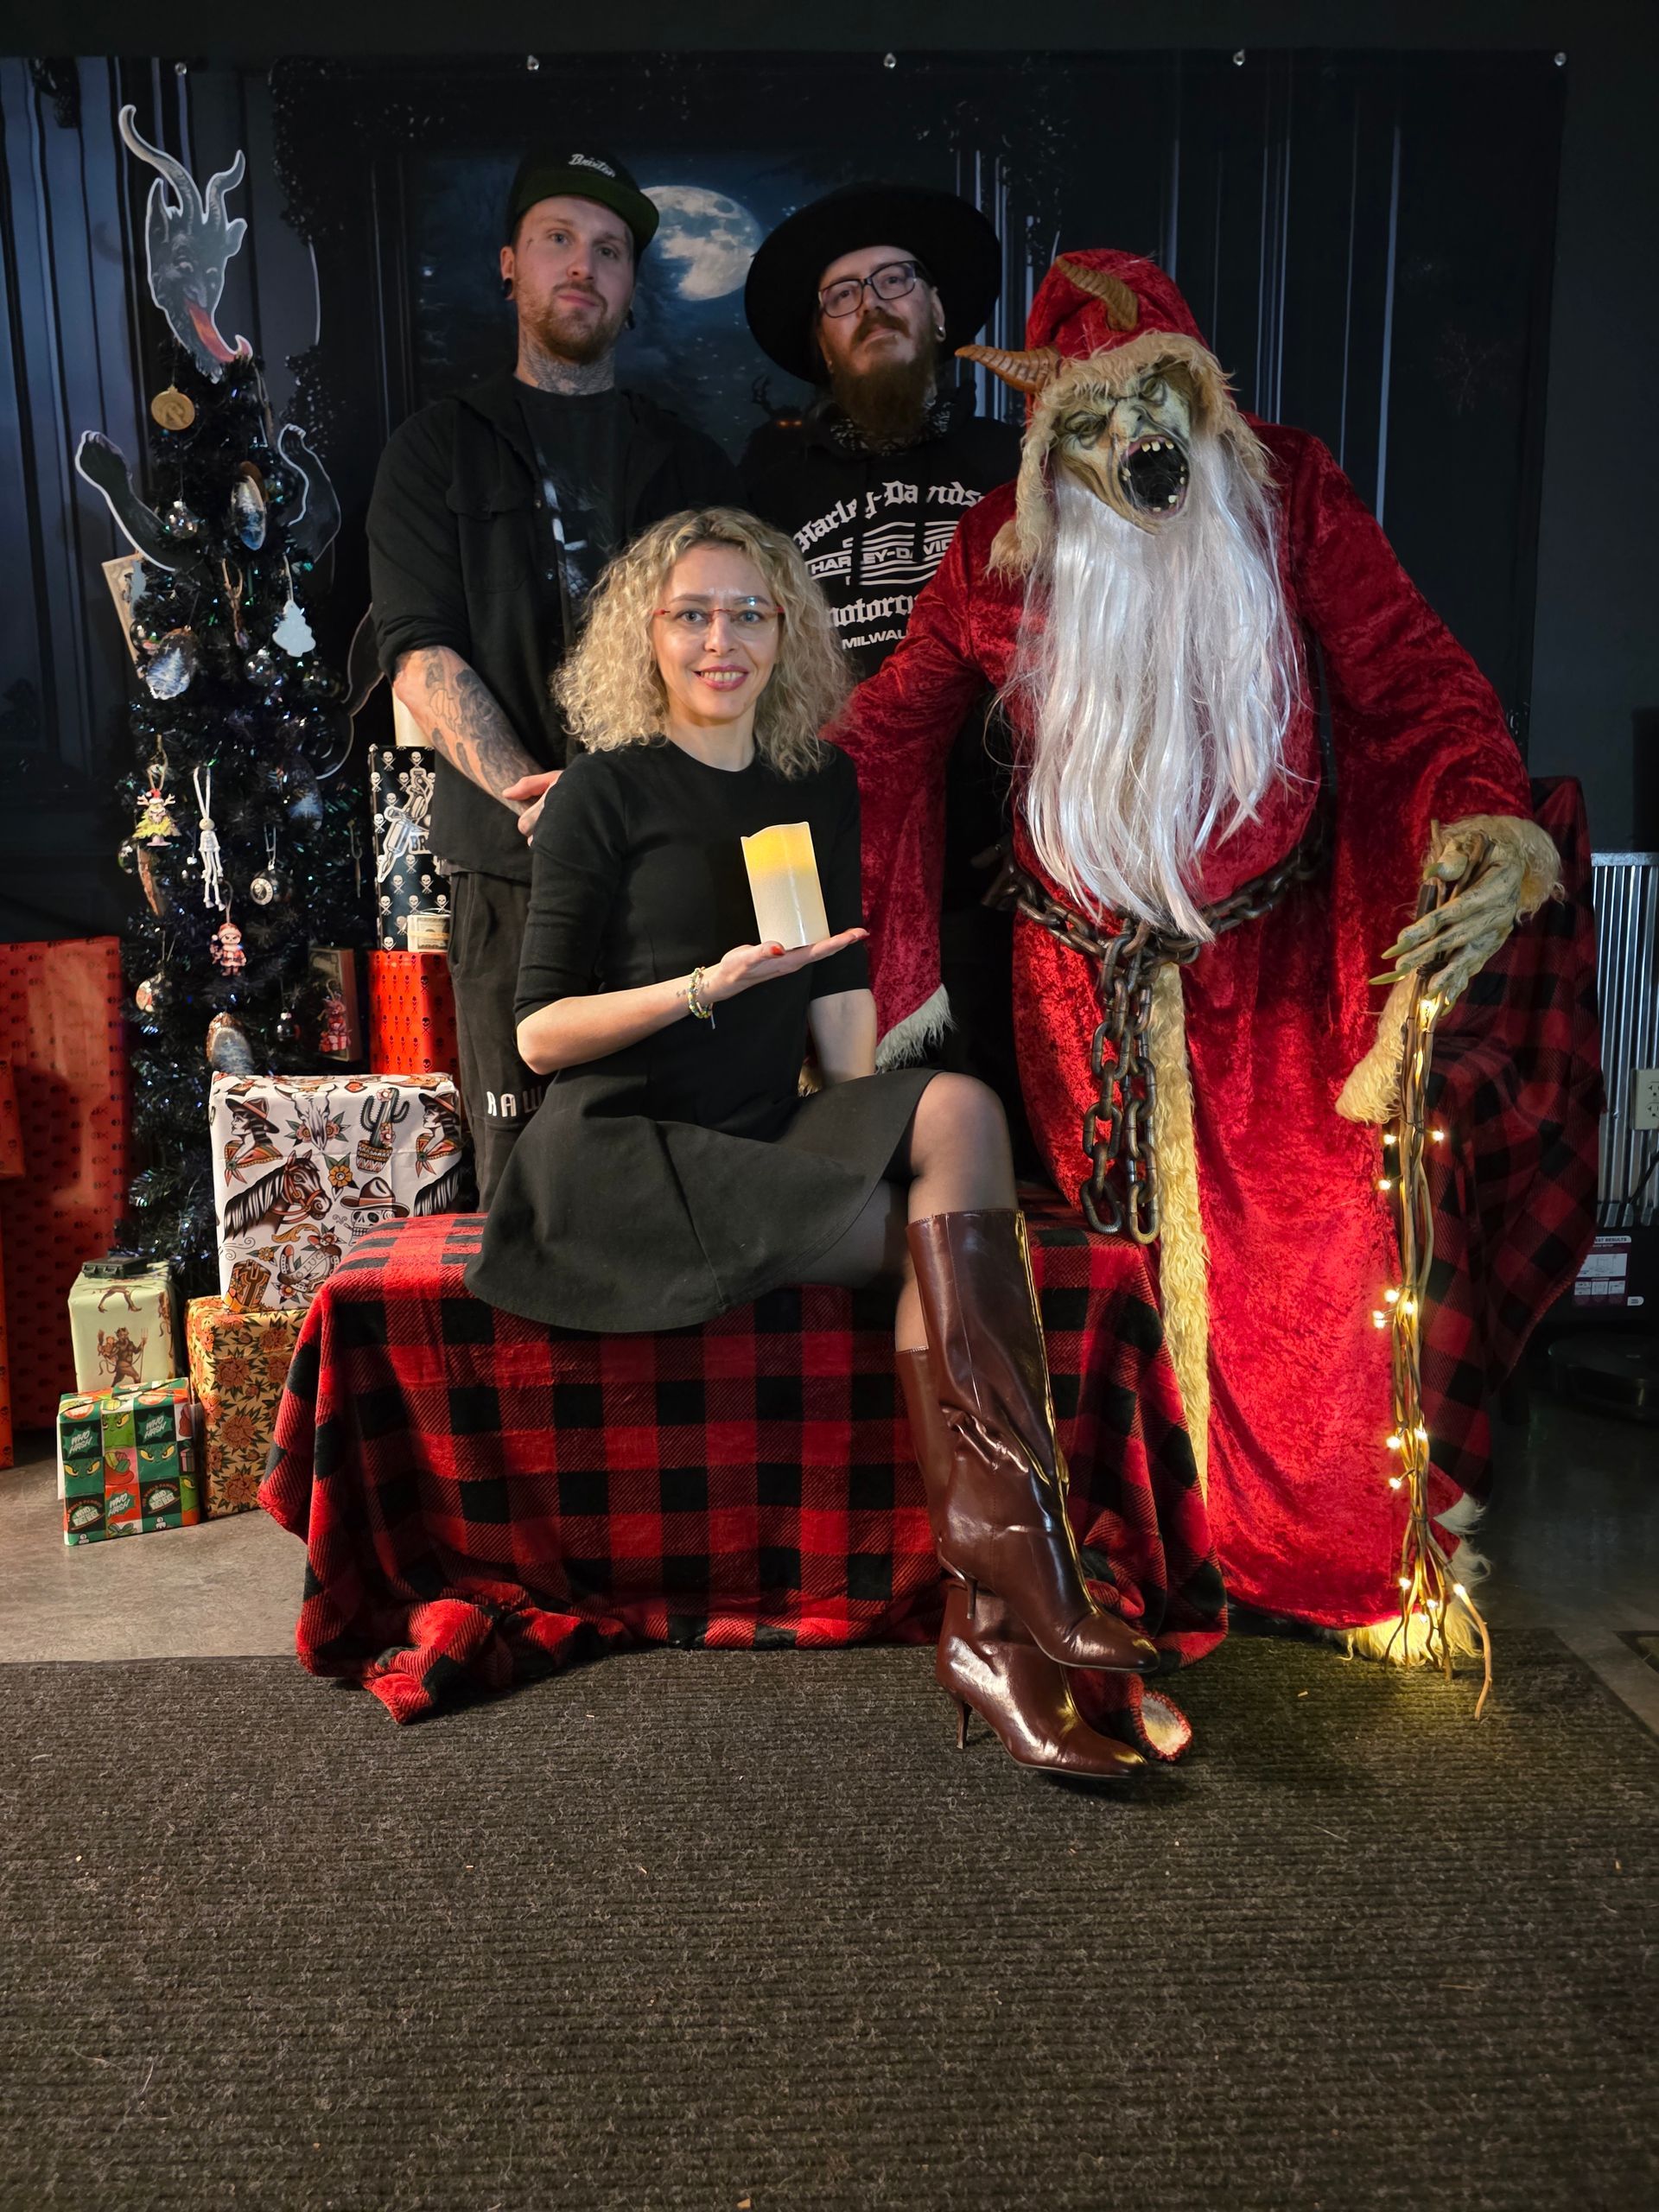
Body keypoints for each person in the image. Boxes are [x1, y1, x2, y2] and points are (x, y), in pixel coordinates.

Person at [830, 247, 1592, 1655]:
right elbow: (883, 734)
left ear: (1202, 397)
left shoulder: (1287, 495)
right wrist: (725, 816)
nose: (1138, 443)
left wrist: (1480, 809)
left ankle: (1339, 1572)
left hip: (1286, 969)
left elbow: (1411, 675)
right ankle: (1153, 1562)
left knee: (1315, 1272)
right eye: (1096, 415)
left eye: (1161, 397)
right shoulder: (999, 549)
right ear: (1052, 428)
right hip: (1078, 989)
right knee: (1120, 1274)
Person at [465, 506, 1161, 1777]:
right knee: (923, 1229)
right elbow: (540, 1037)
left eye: (748, 612)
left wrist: (861, 1106)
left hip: (754, 1124)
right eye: (692, 614)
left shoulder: (814, 778)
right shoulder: (602, 791)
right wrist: (705, 988)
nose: (721, 638)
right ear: (649, 637)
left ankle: (1007, 1596)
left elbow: (839, 992)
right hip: (623, 1150)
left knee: (955, 1106)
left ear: (786, 631)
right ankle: (1016, 1603)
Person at [368, 147, 741, 1203]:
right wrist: (541, 796)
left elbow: (739, 660)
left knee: (688, 1166)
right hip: (513, 865)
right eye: (558, 239)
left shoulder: (694, 462)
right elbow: (420, 651)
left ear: (631, 290)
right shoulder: (434, 450)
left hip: (679, 866)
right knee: (533, 1179)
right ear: (509, 265)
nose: (584, 265)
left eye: (611, 249)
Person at [741, 183, 1024, 1075]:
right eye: (842, 296)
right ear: (821, 342)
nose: (871, 308)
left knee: (993, 1127)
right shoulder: (768, 486)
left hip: (992, 859)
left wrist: (1049, 834)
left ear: (939, 310)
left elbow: (1090, 657)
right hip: (825, 852)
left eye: (895, 281)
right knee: (842, 1110)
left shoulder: (1015, 463)